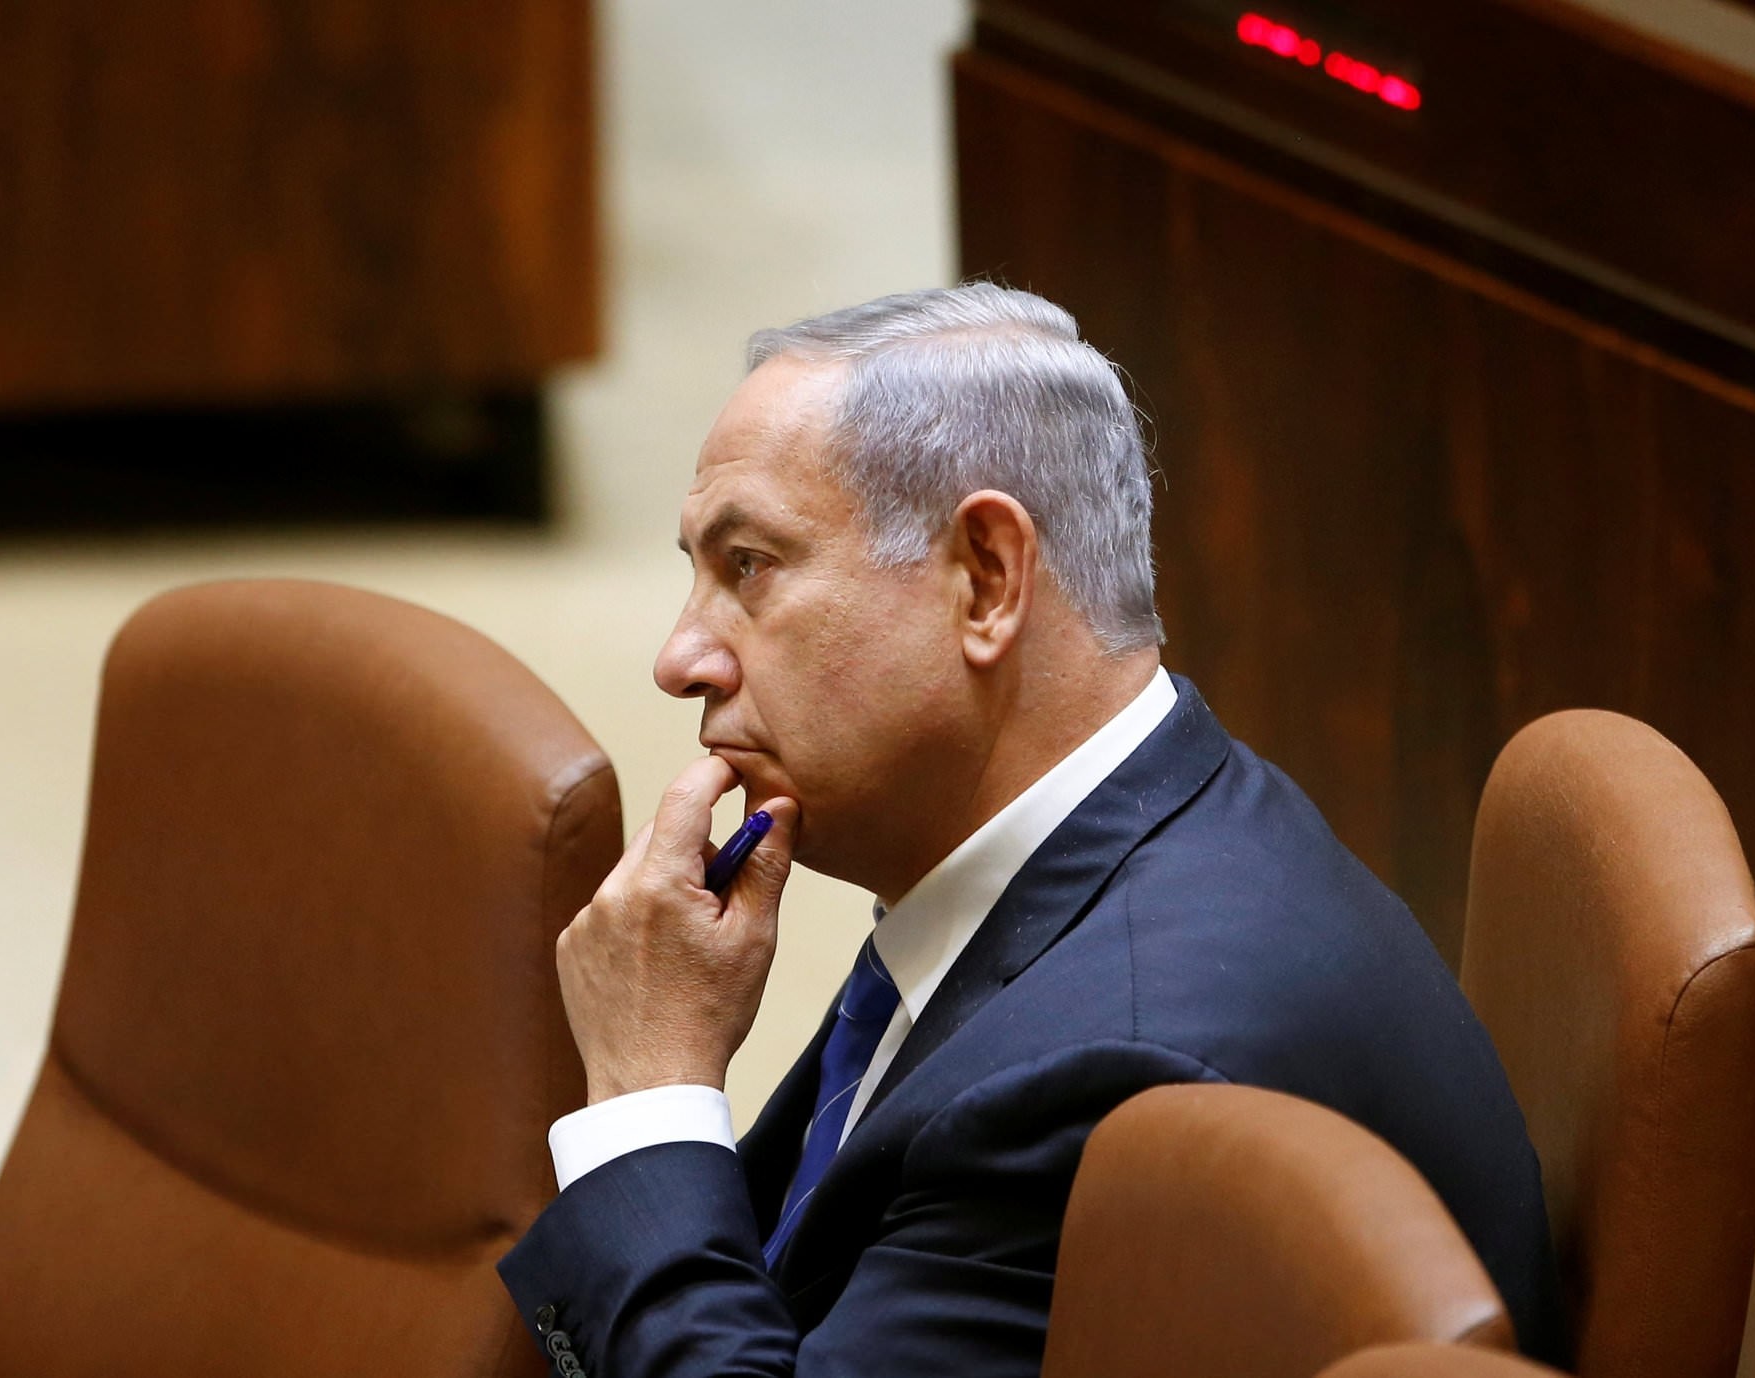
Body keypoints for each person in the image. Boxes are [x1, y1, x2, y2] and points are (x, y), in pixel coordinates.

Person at [497, 284, 1563, 1375]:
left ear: (988, 578)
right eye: (696, 573)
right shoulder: (1136, 810)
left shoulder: (1102, 1076)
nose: (681, 659)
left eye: (749, 567)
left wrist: (647, 1096)